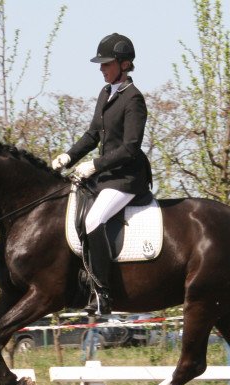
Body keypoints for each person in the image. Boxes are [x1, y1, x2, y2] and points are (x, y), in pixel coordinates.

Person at [51, 33, 152, 316]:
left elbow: (131, 148)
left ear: (124, 64)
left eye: (106, 64)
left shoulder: (134, 99)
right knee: (75, 210)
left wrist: (94, 165)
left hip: (127, 177)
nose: (101, 68)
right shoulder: (106, 93)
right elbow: (93, 134)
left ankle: (102, 292)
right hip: (107, 176)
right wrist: (69, 157)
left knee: (95, 218)